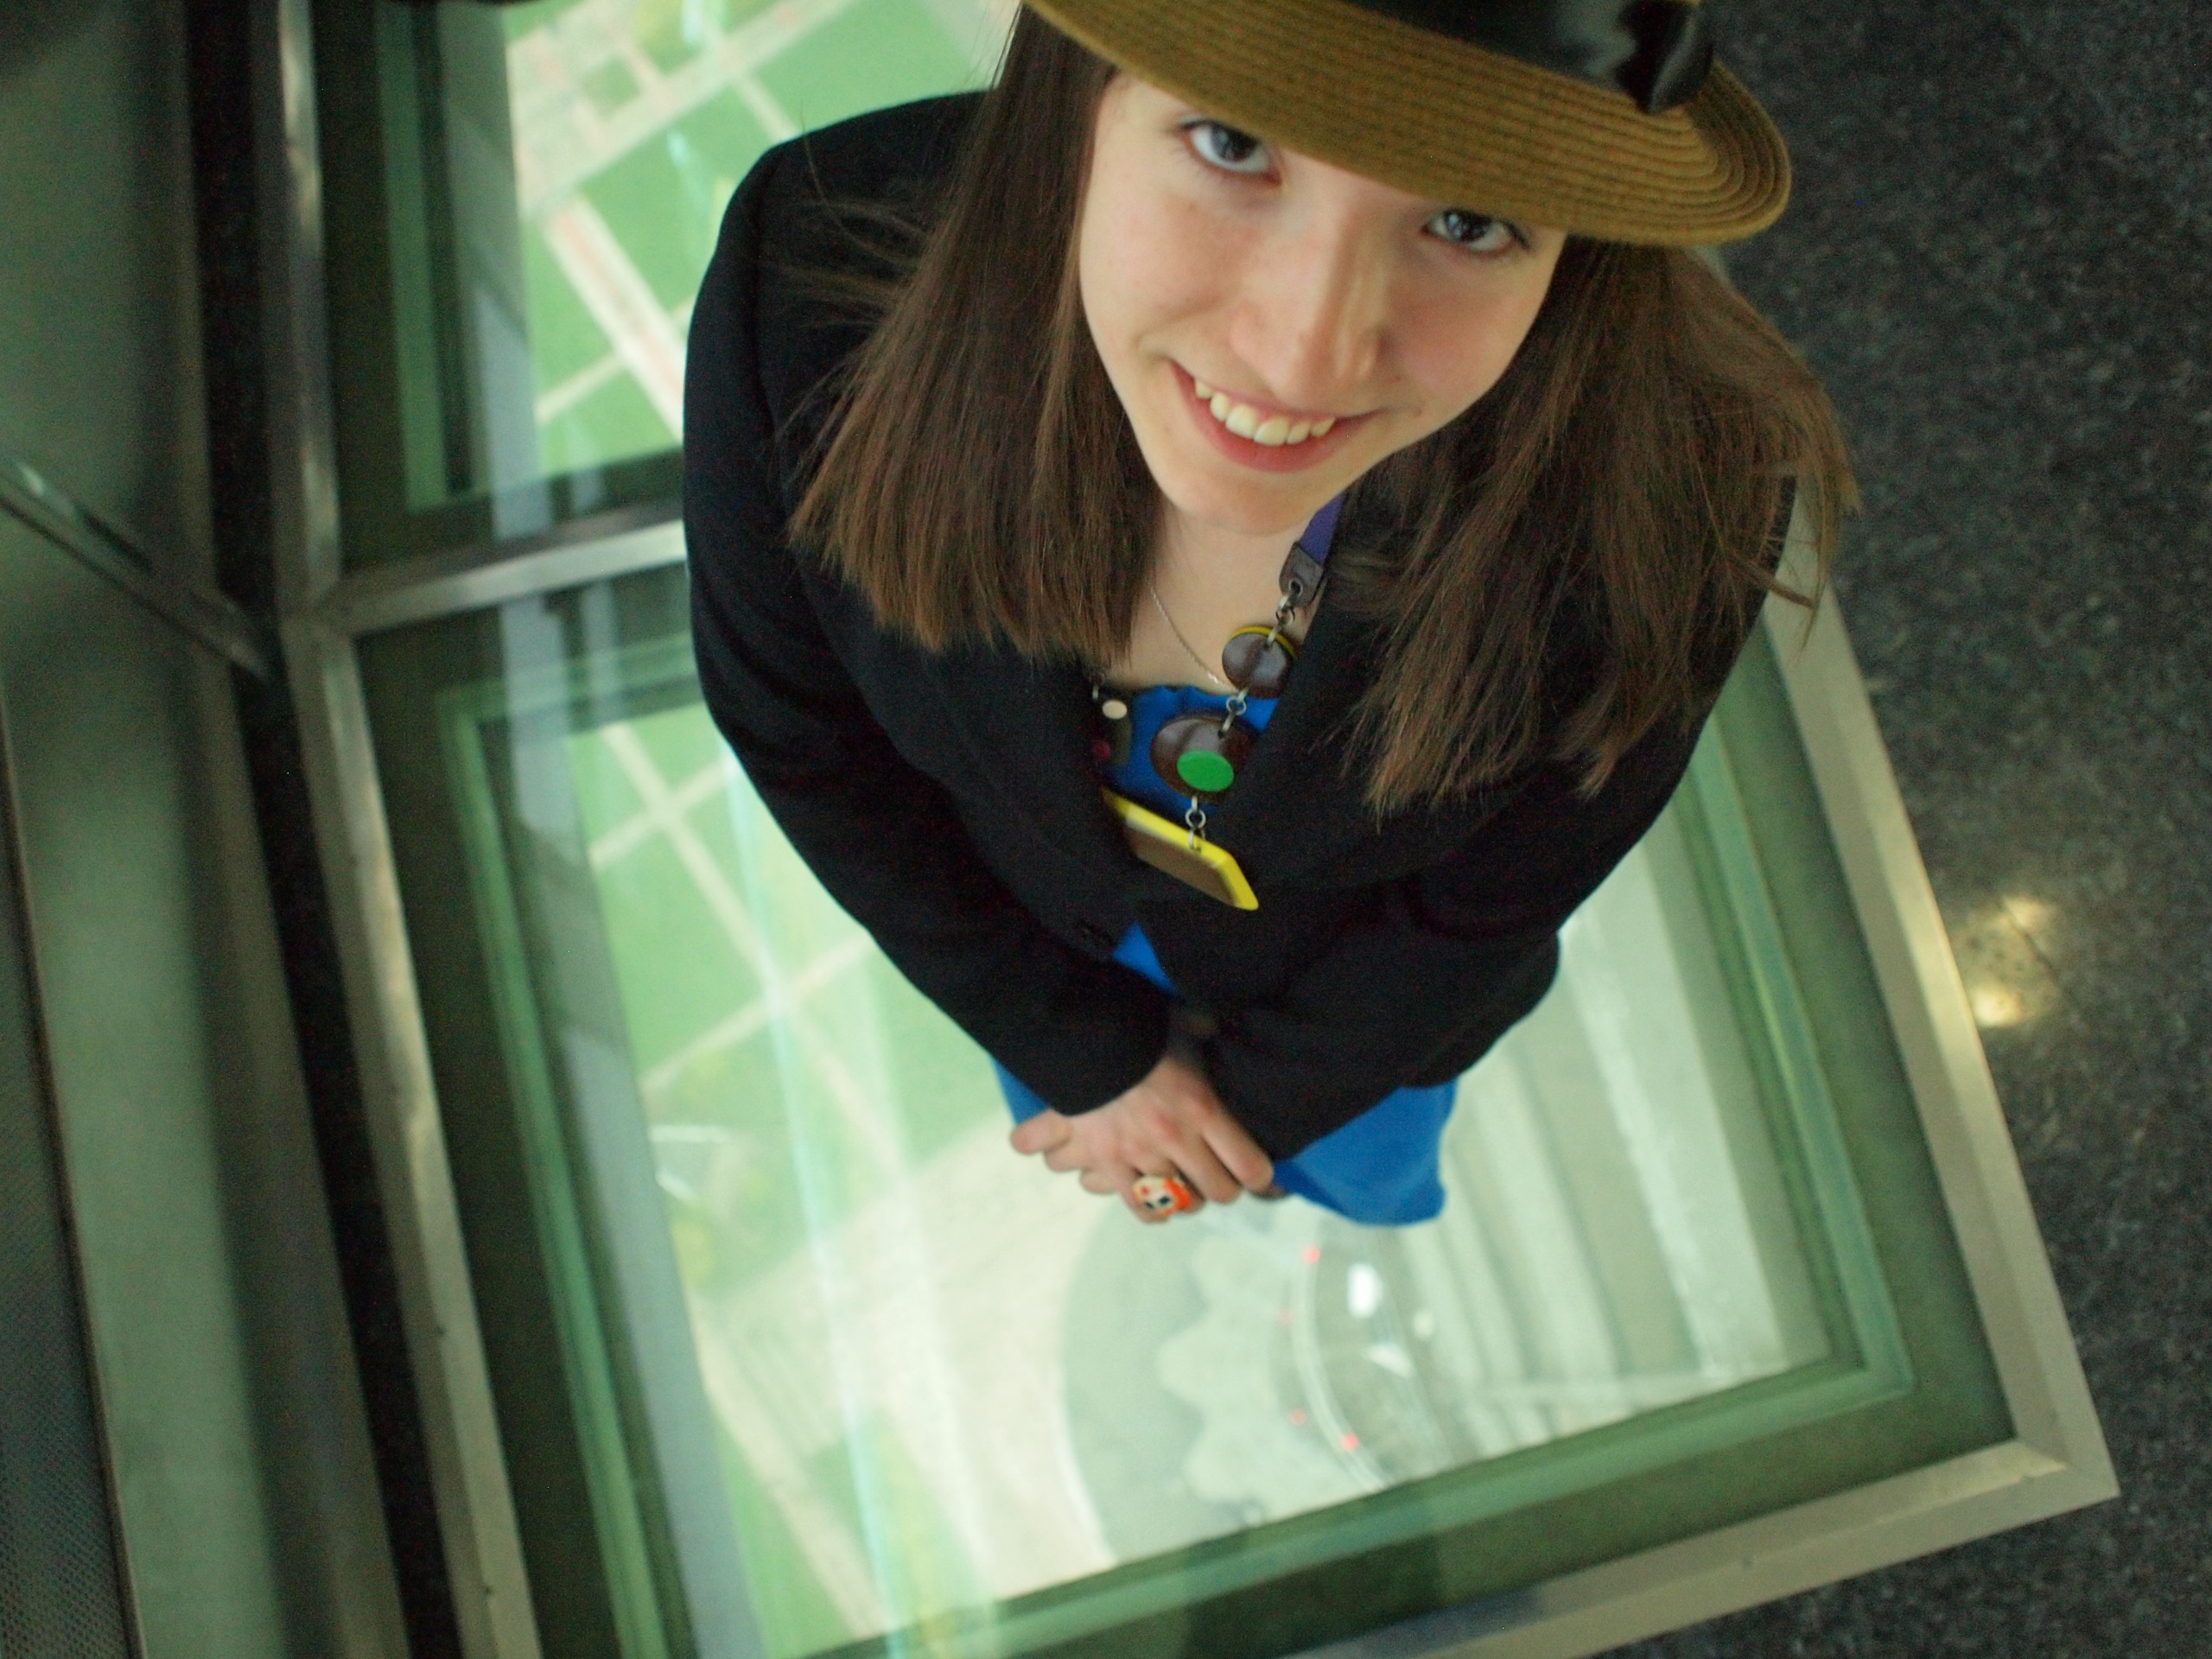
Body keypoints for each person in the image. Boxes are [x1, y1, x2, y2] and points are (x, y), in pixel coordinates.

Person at [683, 0, 1857, 1230]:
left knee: (1363, 1184)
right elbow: (799, 734)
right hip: (1029, 952)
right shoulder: (810, 270)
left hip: (1358, 1030)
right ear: (1080, 88)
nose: (1303, 358)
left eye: (1468, 220)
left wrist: (1236, 1124)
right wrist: (1096, 1064)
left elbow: (1490, 903)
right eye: (1233, 144)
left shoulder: (1684, 481)